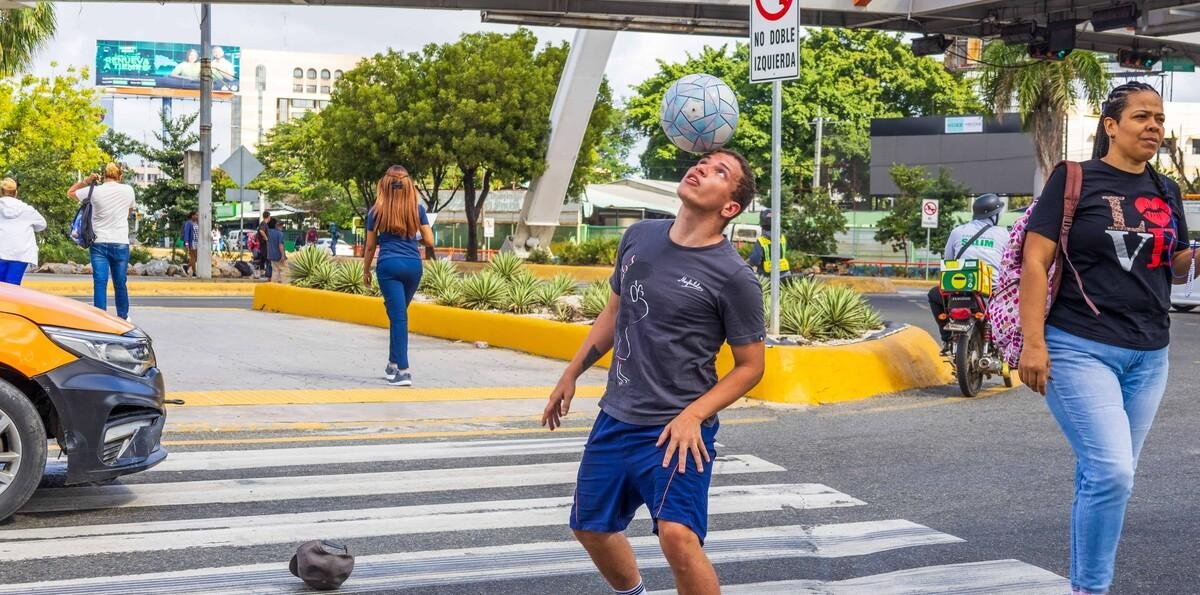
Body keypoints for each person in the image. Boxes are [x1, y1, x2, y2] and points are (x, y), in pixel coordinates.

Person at [542, 149, 766, 595]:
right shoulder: (640, 237)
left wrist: (694, 416)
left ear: (730, 208)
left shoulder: (733, 277)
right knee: (590, 528)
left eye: (720, 171)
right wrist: (571, 373)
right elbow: (616, 308)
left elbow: (751, 367)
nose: (702, 168)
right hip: (616, 417)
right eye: (704, 162)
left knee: (678, 538)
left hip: (676, 429)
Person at [1019, 82, 1194, 595]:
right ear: (1111, 125)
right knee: (1112, 472)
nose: (1154, 127)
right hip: (1078, 346)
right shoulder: (1075, 179)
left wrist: (1195, 256)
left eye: (1159, 119)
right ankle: (1092, 589)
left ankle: (1082, 585)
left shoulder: (1167, 190)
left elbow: (1175, 267)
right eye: (1142, 117)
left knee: (1105, 475)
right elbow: (1036, 260)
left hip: (1150, 355)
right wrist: (1034, 343)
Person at [362, 165, 435, 387]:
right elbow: (430, 241)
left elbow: (370, 246)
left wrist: (366, 270)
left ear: (384, 185)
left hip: (388, 266)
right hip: (414, 266)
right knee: (398, 313)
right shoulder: (417, 209)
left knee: (398, 316)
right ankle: (393, 364)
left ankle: (403, 371)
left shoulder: (375, 212)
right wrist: (413, 241)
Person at [927, 193, 1009, 352]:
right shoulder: (1003, 234)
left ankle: (946, 339)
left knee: (933, 295)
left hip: (958, 286)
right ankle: (1005, 344)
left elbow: (949, 259)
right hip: (991, 289)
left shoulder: (957, 231)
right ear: (995, 215)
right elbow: (1010, 262)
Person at [68, 163, 136, 320]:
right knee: (120, 282)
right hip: (120, 241)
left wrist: (86, 180)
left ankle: (100, 319)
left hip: (98, 242)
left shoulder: (94, 191)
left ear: (103, 175)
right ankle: (123, 317)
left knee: (100, 282)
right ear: (120, 176)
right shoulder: (128, 190)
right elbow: (128, 211)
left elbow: (70, 192)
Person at [0, 178, 46, 285]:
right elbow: (42, 224)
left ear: (1, 192)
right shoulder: (27, 209)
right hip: (21, 253)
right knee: (13, 287)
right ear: (16, 192)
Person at [745, 208, 789, 278]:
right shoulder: (783, 238)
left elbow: (755, 260)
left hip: (767, 277)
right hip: (785, 274)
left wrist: (744, 264)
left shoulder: (761, 241)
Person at [266, 219, 287, 283]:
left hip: (271, 255)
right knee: (282, 270)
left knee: (275, 271)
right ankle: (282, 285)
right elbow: (280, 245)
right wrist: (283, 256)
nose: (281, 227)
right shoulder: (280, 234)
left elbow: (267, 244)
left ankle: (274, 286)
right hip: (278, 256)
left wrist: (268, 254)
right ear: (276, 225)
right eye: (280, 225)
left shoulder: (269, 233)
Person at [182, 211, 199, 276]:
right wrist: (186, 244)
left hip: (197, 242)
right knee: (193, 257)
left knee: (196, 258)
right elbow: (186, 234)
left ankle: (187, 267)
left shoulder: (197, 223)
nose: (197, 216)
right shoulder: (188, 223)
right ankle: (194, 272)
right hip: (191, 242)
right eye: (196, 215)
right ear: (192, 216)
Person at [256, 211, 272, 277]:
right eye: (269, 217)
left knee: (262, 259)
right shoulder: (263, 224)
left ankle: (262, 272)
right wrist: (266, 238)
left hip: (263, 244)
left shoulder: (263, 224)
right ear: (268, 217)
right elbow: (261, 231)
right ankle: (268, 273)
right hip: (264, 244)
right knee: (267, 259)